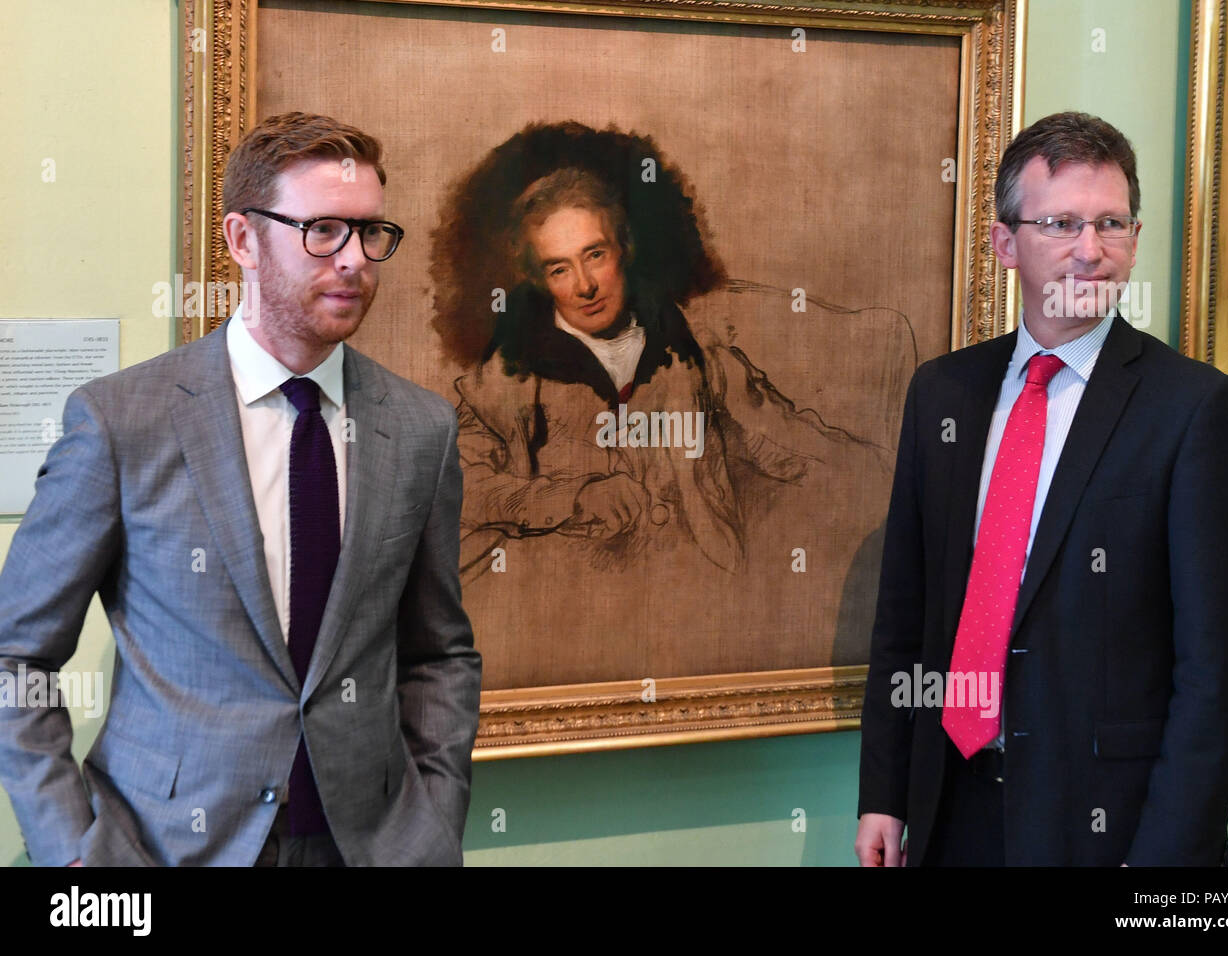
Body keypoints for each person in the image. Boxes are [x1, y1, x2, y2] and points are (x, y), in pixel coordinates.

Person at [0, 112, 482, 866]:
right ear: (242, 241)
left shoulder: (420, 429)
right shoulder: (122, 422)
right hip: (161, 849)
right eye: (322, 230)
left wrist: (434, 820)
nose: (354, 259)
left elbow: (440, 653)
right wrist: (69, 849)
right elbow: (15, 657)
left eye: (370, 232)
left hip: (365, 846)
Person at [855, 111, 1228, 866]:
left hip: (1110, 827)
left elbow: (1216, 674)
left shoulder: (1196, 410)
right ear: (1006, 244)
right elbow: (905, 613)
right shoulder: (943, 393)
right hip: (952, 806)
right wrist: (884, 790)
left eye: (1113, 224)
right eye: (1063, 223)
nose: (1092, 252)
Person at [453, 164, 883, 577]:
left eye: (595, 255)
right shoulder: (507, 378)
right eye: (560, 269)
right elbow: (460, 484)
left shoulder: (695, 353)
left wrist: (896, 480)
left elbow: (798, 445)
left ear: (624, 249)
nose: (584, 286)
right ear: (540, 280)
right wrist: (574, 497)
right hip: (570, 605)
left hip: (700, 592)